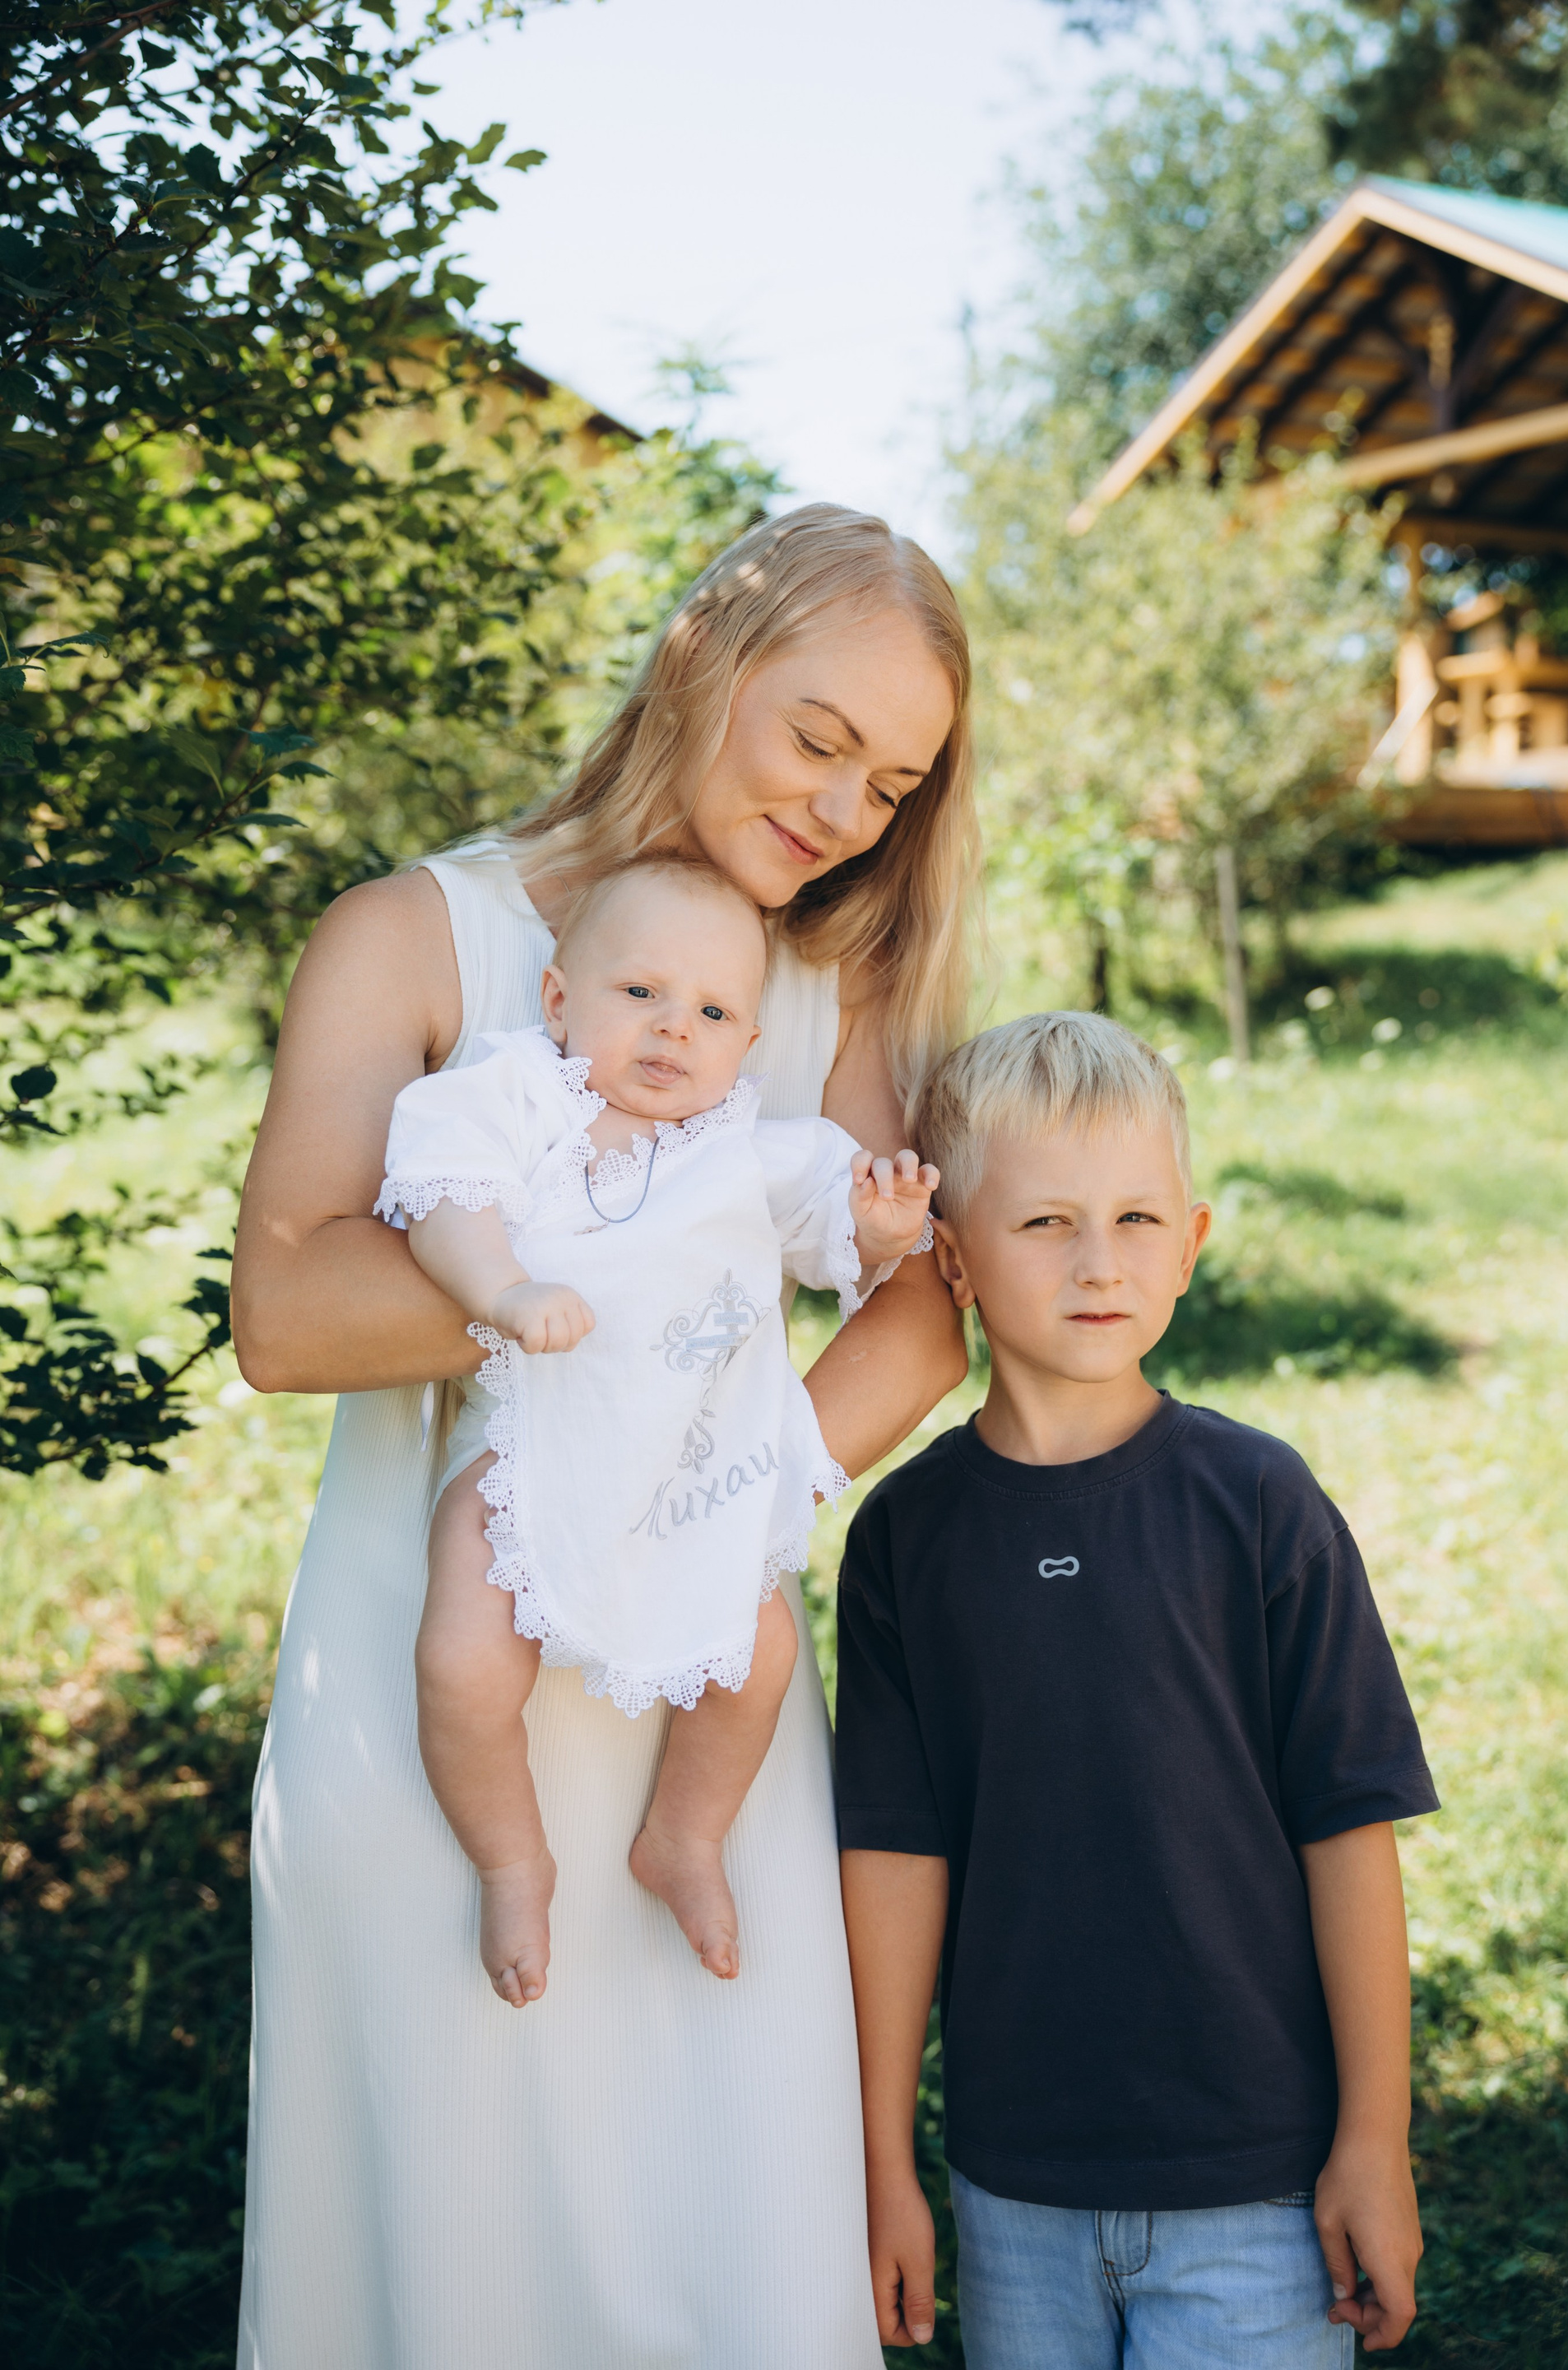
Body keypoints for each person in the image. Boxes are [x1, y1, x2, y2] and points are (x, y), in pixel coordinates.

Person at [230, 503, 977, 2369]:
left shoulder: (826, 983)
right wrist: (640, 1284)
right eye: (819, 740)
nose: (844, 813)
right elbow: (288, 1308)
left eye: (892, 785)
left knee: (719, 2245)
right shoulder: (414, 935)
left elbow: (918, 1310)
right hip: (429, 1680)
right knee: (455, 2251)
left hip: (704, 1696)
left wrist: (728, 1495)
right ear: (700, 658)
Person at [836, 1011, 1440, 2368]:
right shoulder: (904, 1540)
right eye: (1046, 1223)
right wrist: (883, 2163)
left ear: (1192, 1241)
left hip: (1261, 2187)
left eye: (1136, 1220)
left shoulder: (1260, 1504)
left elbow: (1349, 1828)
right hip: (1013, 2189)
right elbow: (893, 1857)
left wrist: (1373, 2140)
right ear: (954, 1256)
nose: (1099, 1262)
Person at [378, 854, 936, 2000]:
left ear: (748, 1047)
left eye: (714, 1013)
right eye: (641, 993)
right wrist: (502, 1289)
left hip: (690, 1466)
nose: (676, 1028)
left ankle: (684, 1834)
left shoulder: (752, 1150)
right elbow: (447, 1194)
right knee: (463, 1660)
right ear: (559, 1000)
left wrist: (878, 1229)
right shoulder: (522, 1097)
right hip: (535, 1445)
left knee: (761, 1656)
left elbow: (833, 1233)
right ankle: (512, 1859)